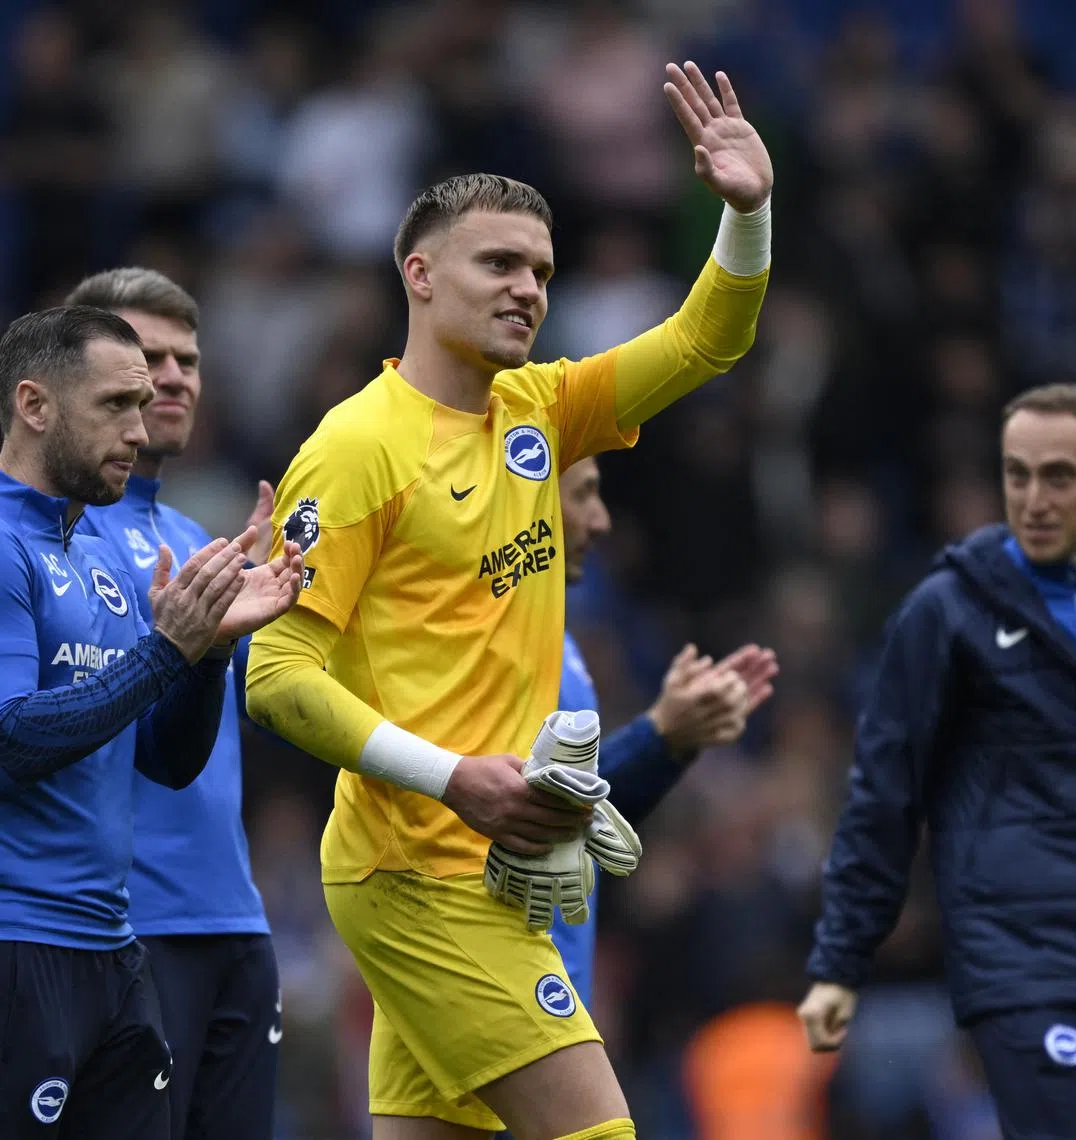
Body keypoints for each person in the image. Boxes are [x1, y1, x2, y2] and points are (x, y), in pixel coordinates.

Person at [246, 60, 773, 1140]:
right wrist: (455, 780)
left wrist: (747, 215)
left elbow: (707, 340)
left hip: (495, 874)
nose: (528, 287)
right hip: (418, 869)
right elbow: (278, 678)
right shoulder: (353, 451)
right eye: (497, 264)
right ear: (420, 275)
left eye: (539, 269)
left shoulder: (537, 412)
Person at [799, 383, 1076, 1140]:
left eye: (1058, 476)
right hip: (1027, 963)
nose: (1034, 498)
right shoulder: (947, 615)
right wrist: (840, 962)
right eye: (1017, 475)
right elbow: (882, 798)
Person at [0, 305, 302, 1140]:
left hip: (113, 949)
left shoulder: (91, 561)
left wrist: (206, 654)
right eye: (115, 406)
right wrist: (168, 652)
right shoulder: (3, 546)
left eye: (144, 406)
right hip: (21, 943)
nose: (141, 429)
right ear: (34, 405)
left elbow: (167, 761)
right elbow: (11, 739)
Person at [63, 267, 282, 1140]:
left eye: (187, 358)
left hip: (237, 921)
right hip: (126, 930)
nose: (174, 376)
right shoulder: (57, 533)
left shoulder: (198, 541)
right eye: (148, 356)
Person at [549, 456, 779, 1010]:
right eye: (582, 495)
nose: (601, 520)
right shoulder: (483, 645)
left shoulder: (561, 645)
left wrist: (674, 740)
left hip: (550, 993)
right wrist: (658, 734)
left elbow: (575, 817)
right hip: (500, 1000)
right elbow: (518, 810)